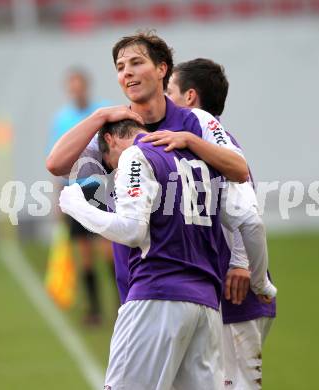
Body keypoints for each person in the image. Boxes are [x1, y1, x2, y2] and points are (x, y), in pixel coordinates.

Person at [59, 118, 276, 390]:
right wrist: (260, 281)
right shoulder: (194, 158)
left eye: (108, 161)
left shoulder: (134, 155)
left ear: (111, 140)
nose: (113, 169)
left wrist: (76, 205)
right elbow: (248, 220)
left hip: (157, 296)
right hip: (207, 307)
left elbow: (132, 230)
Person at [46, 31, 249, 306]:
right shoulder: (114, 130)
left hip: (200, 287)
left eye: (136, 63)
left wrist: (189, 140)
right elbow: (56, 164)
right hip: (140, 290)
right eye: (120, 67)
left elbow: (239, 170)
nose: (127, 72)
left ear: (162, 69)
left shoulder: (196, 121)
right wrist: (100, 116)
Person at [165, 57, 276, 389]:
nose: (164, 99)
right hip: (217, 289)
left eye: (169, 90)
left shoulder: (215, 144)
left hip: (237, 291)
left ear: (190, 97)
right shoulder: (194, 143)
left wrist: (242, 263)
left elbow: (246, 204)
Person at [47, 68, 114, 324]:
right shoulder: (62, 119)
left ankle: (122, 301)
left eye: (80, 86)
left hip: (100, 186)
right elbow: (56, 161)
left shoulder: (102, 112)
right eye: (72, 87)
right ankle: (94, 309)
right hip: (76, 189)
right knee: (85, 256)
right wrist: (58, 200)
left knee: (110, 250)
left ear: (87, 86)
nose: (77, 91)